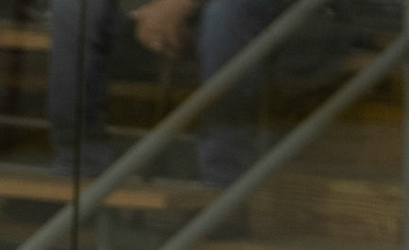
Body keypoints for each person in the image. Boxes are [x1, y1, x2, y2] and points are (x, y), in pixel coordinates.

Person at [48, 0, 287, 194]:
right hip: (148, 12)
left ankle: (223, 184)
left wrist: (180, 4)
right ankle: (78, 167)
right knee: (74, 5)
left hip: (244, 13)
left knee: (226, 14)